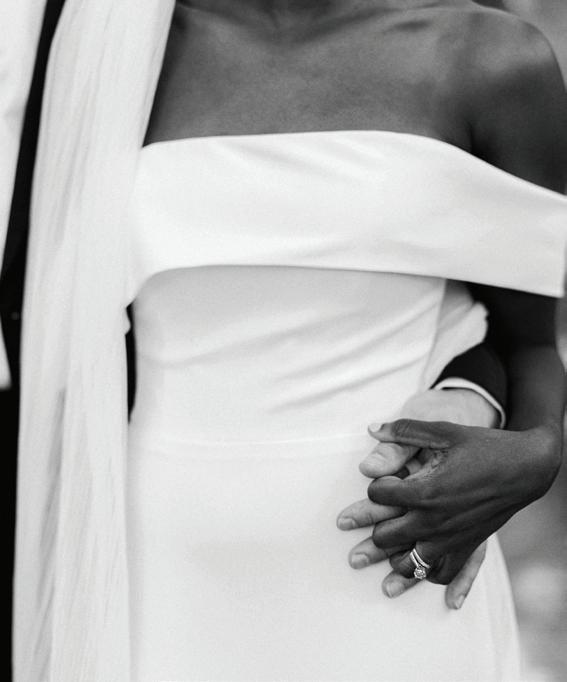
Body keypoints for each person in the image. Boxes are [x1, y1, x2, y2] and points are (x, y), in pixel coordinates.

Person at [12, 1, 567, 680]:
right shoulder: (108, 48)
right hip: (154, 567)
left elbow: (528, 343)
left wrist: (536, 450)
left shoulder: (488, 58)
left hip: (394, 553)